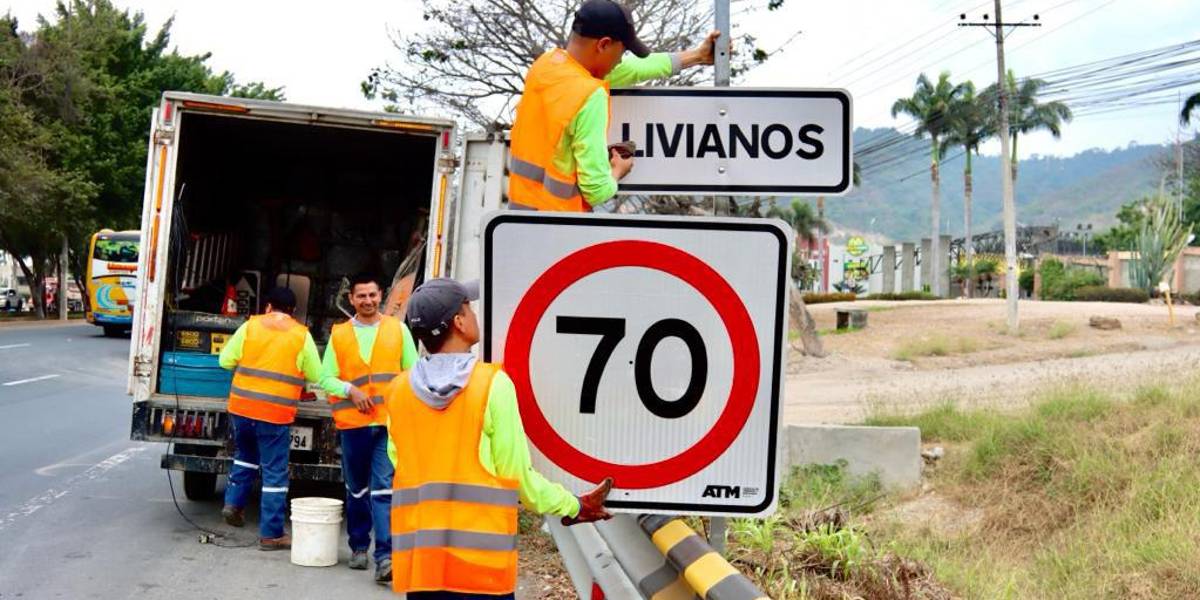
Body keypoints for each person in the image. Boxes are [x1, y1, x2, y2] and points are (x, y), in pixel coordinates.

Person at [385, 278, 613, 598]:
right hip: (480, 566)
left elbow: (402, 462)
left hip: (423, 564)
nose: (475, 314)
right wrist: (573, 505)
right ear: (460, 322)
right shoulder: (491, 385)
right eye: (469, 307)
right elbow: (516, 477)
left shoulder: (398, 391)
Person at [507, 0, 720, 212]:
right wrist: (618, 170)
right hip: (561, 228)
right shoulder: (590, 95)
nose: (620, 60)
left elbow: (633, 69)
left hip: (520, 221)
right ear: (604, 44)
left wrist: (697, 56)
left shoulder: (545, 65)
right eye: (622, 51)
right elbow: (597, 189)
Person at [319, 272, 418, 584]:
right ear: (351, 299)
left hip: (387, 424)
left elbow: (412, 373)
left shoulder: (398, 331)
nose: (367, 301)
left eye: (372, 295)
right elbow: (325, 378)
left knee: (384, 489)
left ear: (382, 296)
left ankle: (385, 557)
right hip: (353, 425)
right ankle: (359, 546)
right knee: (357, 489)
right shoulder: (339, 335)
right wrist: (351, 390)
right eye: (361, 296)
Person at [218, 287, 323, 550]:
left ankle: (233, 503)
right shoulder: (301, 335)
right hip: (275, 414)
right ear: (293, 312)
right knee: (275, 473)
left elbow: (225, 361)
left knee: (244, 456)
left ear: (267, 306)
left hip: (242, 409)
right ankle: (271, 534)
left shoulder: (250, 326)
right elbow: (316, 374)